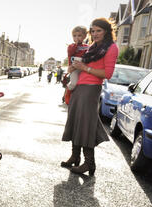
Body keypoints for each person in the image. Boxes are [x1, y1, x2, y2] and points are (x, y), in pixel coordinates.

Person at [61, 18, 119, 176]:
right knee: (75, 121)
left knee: (85, 123)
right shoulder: (93, 46)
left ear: (106, 31)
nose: (95, 34)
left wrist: (84, 67)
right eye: (93, 31)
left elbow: (107, 74)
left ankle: (89, 162)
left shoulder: (111, 48)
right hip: (79, 86)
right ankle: (75, 156)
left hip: (91, 88)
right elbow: (81, 65)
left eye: (98, 30)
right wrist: (73, 68)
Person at [66, 26, 90, 91]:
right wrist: (76, 44)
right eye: (74, 36)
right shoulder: (71, 46)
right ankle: (67, 91)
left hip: (83, 67)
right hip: (74, 69)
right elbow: (71, 52)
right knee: (74, 83)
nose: (76, 38)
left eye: (79, 35)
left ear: (84, 36)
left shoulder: (87, 47)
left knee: (82, 84)